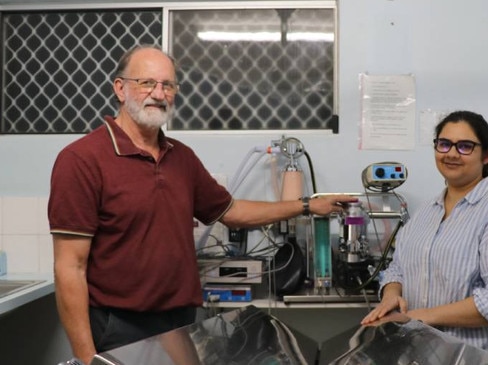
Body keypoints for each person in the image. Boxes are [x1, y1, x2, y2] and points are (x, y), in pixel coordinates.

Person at [48, 45, 357, 365]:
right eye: (147, 83)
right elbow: (70, 267)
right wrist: (87, 358)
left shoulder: (181, 158)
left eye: (168, 85)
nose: (158, 93)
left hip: (180, 323)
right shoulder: (82, 160)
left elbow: (233, 213)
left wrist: (307, 205)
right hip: (119, 325)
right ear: (120, 88)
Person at [361, 110, 488, 364]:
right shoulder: (426, 212)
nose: (452, 153)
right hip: (438, 354)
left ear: (487, 154)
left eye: (465, 146)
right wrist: (391, 294)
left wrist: (422, 316)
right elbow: (397, 268)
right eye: (444, 144)